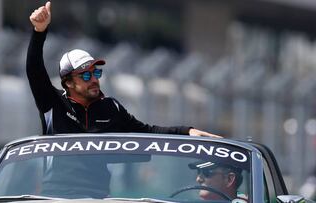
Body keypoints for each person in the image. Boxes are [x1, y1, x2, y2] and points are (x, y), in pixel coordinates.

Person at [27, 1, 220, 199]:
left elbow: (147, 132)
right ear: (68, 83)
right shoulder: (53, 102)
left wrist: (187, 131)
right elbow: (34, 71)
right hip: (55, 198)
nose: (94, 79)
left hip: (97, 198)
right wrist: (39, 31)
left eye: (96, 73)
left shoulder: (110, 108)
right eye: (86, 76)